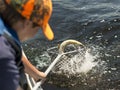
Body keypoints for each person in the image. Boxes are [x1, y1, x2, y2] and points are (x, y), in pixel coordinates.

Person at [0, 0, 54, 90]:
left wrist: (35, 73)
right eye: (39, 28)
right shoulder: (4, 55)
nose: (35, 34)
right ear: (27, 23)